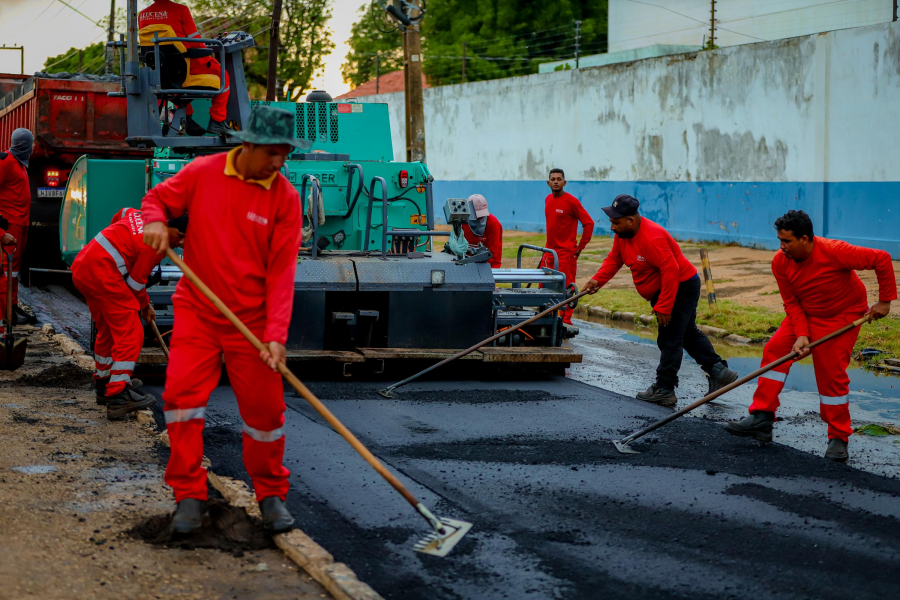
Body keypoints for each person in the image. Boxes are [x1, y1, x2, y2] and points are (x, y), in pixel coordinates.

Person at [141, 106, 305, 534]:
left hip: (253, 322)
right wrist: (156, 222)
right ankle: (189, 497)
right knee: (181, 400)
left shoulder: (285, 199)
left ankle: (271, 496)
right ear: (247, 145)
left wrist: (275, 336)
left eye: (285, 153)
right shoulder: (203, 173)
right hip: (198, 312)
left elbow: (282, 274)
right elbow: (157, 200)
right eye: (271, 152)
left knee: (266, 413)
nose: (278, 162)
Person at [725, 210, 895, 462]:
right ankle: (762, 417)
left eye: (787, 241)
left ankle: (838, 437)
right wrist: (802, 335)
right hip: (805, 313)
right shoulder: (780, 262)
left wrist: (885, 300)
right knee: (775, 350)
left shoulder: (835, 251)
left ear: (804, 239)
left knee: (831, 374)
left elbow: (881, 258)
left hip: (841, 316)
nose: (781, 247)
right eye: (779, 240)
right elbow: (791, 302)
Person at [583, 194, 738, 406]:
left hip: (680, 286)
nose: (612, 227)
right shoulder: (623, 234)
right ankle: (719, 371)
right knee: (686, 333)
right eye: (611, 222)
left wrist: (664, 305)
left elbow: (671, 269)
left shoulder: (652, 238)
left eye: (615, 222)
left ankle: (665, 388)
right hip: (668, 288)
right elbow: (615, 258)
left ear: (630, 220)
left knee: (669, 338)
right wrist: (597, 280)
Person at [72, 209, 186, 419]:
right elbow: (135, 284)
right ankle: (118, 395)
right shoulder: (156, 245)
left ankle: (104, 382)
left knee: (107, 329)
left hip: (84, 267)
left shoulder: (140, 214)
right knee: (131, 331)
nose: (180, 243)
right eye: (179, 236)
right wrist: (145, 306)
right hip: (103, 273)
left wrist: (119, 241)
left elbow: (120, 213)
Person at [139, 0, 233, 135]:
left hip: (158, 73)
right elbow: (195, 41)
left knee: (176, 86)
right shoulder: (181, 10)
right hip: (185, 67)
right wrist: (207, 52)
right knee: (223, 75)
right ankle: (217, 121)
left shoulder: (142, 15)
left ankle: (186, 117)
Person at [542, 168, 594, 324]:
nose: (556, 182)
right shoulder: (548, 199)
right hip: (549, 252)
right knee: (543, 285)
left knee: (565, 287)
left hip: (566, 253)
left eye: (559, 179)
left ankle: (565, 322)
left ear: (564, 182)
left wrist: (580, 247)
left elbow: (589, 223)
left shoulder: (572, 202)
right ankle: (545, 317)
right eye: (553, 179)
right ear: (548, 183)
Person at [0, 128, 34, 327]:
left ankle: (12, 306)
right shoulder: (6, 162)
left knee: (13, 269)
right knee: (7, 269)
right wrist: (1, 233)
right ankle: (6, 311)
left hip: (20, 224)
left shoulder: (19, 163)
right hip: (9, 224)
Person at [462, 194, 503, 268]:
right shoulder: (463, 223)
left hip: (489, 266)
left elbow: (494, 254)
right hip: (467, 265)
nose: (480, 217)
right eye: (477, 215)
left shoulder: (493, 224)